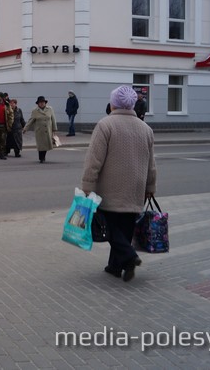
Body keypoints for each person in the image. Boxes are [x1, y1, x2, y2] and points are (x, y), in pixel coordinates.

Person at [82, 85, 156, 282]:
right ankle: (115, 266)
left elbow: (94, 160)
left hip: (110, 187)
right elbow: (151, 164)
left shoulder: (106, 125)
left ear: (113, 103)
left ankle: (129, 256)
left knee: (110, 227)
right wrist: (150, 187)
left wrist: (88, 185)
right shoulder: (146, 129)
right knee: (126, 227)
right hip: (136, 187)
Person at [23, 96, 58, 163]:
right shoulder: (35, 111)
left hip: (48, 130)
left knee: (46, 145)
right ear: (38, 104)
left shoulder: (50, 109)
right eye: (40, 102)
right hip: (39, 131)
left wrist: (54, 129)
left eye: (43, 102)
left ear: (45, 103)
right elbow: (31, 120)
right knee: (41, 145)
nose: (42, 103)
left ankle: (43, 157)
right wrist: (25, 128)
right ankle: (41, 158)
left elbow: (53, 119)